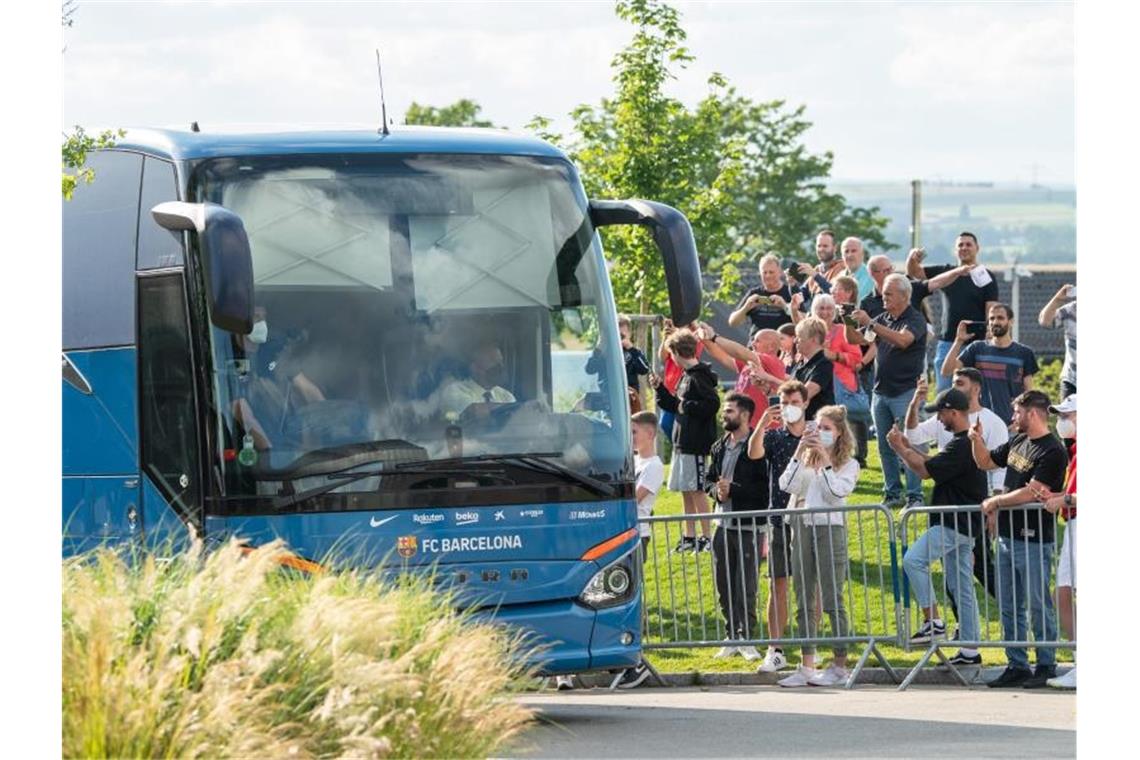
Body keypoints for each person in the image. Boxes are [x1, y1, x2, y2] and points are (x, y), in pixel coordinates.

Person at [970, 390, 1067, 689]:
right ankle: (1017, 663)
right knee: (1009, 605)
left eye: (1016, 412)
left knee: (1038, 604)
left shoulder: (1053, 450)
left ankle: (1046, 664)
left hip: (1035, 538)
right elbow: (985, 462)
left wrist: (996, 502)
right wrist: (976, 440)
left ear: (1033, 413)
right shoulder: (1017, 441)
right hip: (1007, 537)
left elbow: (1033, 490)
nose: (1013, 418)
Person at [889, 388, 989, 667]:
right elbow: (927, 465)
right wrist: (906, 448)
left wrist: (900, 447)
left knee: (913, 560)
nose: (939, 418)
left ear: (954, 413)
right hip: (964, 525)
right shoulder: (965, 442)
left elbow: (924, 469)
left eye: (941, 413)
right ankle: (970, 651)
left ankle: (932, 620)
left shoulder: (962, 444)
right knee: (962, 588)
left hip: (953, 523)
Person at [775, 404, 860, 688]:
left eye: (827, 429)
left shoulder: (849, 464)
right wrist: (800, 452)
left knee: (832, 597)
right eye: (818, 427)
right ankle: (807, 665)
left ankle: (839, 665)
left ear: (839, 433)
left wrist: (824, 462)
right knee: (803, 596)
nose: (820, 433)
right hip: (802, 526)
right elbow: (786, 484)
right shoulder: (806, 457)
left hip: (830, 528)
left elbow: (836, 493)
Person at [747, 380, 810, 673]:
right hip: (778, 517)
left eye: (794, 402)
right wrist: (761, 423)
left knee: (811, 585)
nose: (788, 408)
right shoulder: (774, 437)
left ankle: (810, 649)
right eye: (784, 403)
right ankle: (775, 648)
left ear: (805, 403)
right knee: (778, 582)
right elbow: (754, 453)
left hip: (810, 517)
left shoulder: (817, 433)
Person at [853, 273, 928, 508]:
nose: (882, 297)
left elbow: (903, 340)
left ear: (904, 296)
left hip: (906, 392)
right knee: (886, 446)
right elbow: (857, 339)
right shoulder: (883, 318)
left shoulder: (915, 319)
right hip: (880, 392)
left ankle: (915, 495)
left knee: (909, 445)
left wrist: (871, 323)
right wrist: (846, 321)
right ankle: (892, 493)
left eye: (888, 293)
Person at [706, 394, 768, 660]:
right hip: (722, 523)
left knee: (746, 585)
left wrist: (735, 490)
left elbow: (764, 488)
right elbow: (709, 481)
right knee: (724, 583)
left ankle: (748, 638)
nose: (724, 415)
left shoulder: (757, 445)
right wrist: (716, 492)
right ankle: (731, 635)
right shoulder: (719, 446)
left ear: (744, 415)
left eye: (729, 411)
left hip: (749, 526)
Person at [610, 409, 667, 691]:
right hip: (625, 533)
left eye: (634, 432)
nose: (631, 437)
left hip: (638, 534)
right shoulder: (633, 461)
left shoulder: (654, 465)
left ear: (649, 434)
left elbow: (634, 497)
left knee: (632, 591)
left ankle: (636, 662)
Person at [651, 328, 720, 553]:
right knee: (686, 489)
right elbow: (674, 404)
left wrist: (686, 406)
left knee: (698, 489)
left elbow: (712, 405)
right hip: (682, 441)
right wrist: (660, 389)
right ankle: (689, 535)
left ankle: (708, 537)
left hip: (696, 443)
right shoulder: (685, 376)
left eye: (671, 353)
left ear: (678, 352)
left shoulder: (700, 376)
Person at [908, 233, 1000, 392]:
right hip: (948, 341)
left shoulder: (986, 276)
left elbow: (991, 308)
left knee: (975, 391)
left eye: (968, 244)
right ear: (955, 250)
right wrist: (912, 258)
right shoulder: (947, 272)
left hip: (975, 342)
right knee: (944, 391)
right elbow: (915, 273)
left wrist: (989, 335)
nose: (964, 248)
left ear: (977, 248)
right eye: (960, 245)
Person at [940, 303, 1037, 425]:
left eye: (1000, 318)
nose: (995, 322)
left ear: (1011, 322)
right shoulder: (977, 348)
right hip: (979, 423)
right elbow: (946, 371)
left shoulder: (1024, 353)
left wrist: (1021, 422)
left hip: (1011, 424)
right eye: (991, 318)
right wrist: (958, 341)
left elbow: (1029, 393)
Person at [1037, 394, 1077, 690]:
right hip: (1074, 524)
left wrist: (1063, 499)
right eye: (1061, 416)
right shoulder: (1075, 450)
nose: (1062, 421)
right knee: (1061, 594)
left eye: (1069, 415)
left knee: (1068, 594)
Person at [697, 324, 787, 421]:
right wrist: (703, 336)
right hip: (743, 425)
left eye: (757, 341)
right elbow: (722, 356)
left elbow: (739, 352)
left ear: (771, 346)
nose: (752, 343)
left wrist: (714, 337)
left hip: (761, 428)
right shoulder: (749, 363)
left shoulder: (771, 361)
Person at [831, 278, 874, 467]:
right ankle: (842, 452)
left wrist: (863, 363)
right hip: (840, 369)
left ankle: (860, 453)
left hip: (860, 367)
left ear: (848, 292)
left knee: (858, 412)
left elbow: (874, 343)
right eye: (832, 289)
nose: (833, 292)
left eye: (837, 289)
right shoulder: (830, 313)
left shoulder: (857, 313)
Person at [728, 253, 802, 336]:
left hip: (781, 344)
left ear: (780, 272)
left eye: (771, 272)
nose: (768, 276)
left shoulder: (790, 292)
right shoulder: (754, 293)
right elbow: (732, 322)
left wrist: (784, 306)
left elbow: (803, 322)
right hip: (756, 344)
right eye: (764, 272)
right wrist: (746, 307)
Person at [440, 341, 516, 419]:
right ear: (475, 368)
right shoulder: (455, 391)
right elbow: (475, 412)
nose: (500, 366)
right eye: (493, 361)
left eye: (501, 361)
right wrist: (511, 408)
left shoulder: (506, 396)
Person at [656, 319, 705, 440]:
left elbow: (695, 352)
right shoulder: (672, 338)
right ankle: (677, 447)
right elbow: (662, 357)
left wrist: (678, 333)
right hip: (670, 389)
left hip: (685, 390)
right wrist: (666, 337)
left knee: (679, 427)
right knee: (666, 424)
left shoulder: (694, 338)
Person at [791, 316, 835, 421]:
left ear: (814, 339)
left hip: (821, 425)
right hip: (802, 423)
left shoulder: (824, 363)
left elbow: (806, 393)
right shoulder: (801, 363)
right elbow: (790, 389)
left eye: (799, 336)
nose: (795, 340)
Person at [1038, 284, 1076, 399]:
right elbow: (1045, 321)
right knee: (1067, 417)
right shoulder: (1071, 310)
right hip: (1072, 379)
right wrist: (1058, 299)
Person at [620, 315, 651, 413]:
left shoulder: (634, 352)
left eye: (622, 336)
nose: (619, 339)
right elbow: (590, 369)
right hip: (610, 395)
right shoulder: (607, 351)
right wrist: (600, 349)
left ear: (629, 334)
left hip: (629, 397)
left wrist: (631, 349)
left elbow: (644, 369)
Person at [840, 237, 876, 303]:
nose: (850, 255)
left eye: (853, 251)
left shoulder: (872, 277)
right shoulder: (838, 277)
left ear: (862, 254)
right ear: (842, 256)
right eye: (846, 251)